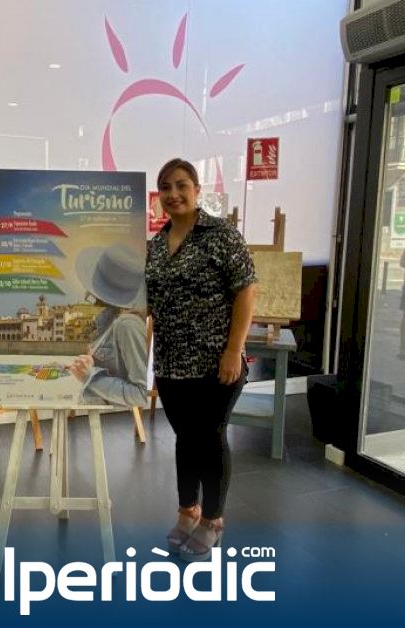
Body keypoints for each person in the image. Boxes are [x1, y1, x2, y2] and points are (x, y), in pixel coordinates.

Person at [145, 158, 257, 562]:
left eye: (181, 185)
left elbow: (246, 291)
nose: (173, 194)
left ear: (197, 189)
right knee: (186, 439)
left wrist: (233, 350)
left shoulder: (221, 235)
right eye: (165, 187)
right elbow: (148, 304)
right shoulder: (155, 246)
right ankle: (187, 510)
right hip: (171, 363)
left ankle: (212, 520)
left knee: (210, 438)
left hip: (216, 362)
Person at [68, 244, 149, 408]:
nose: (88, 295)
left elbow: (140, 395)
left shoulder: (127, 326)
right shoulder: (108, 319)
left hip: (110, 417)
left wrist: (90, 376)